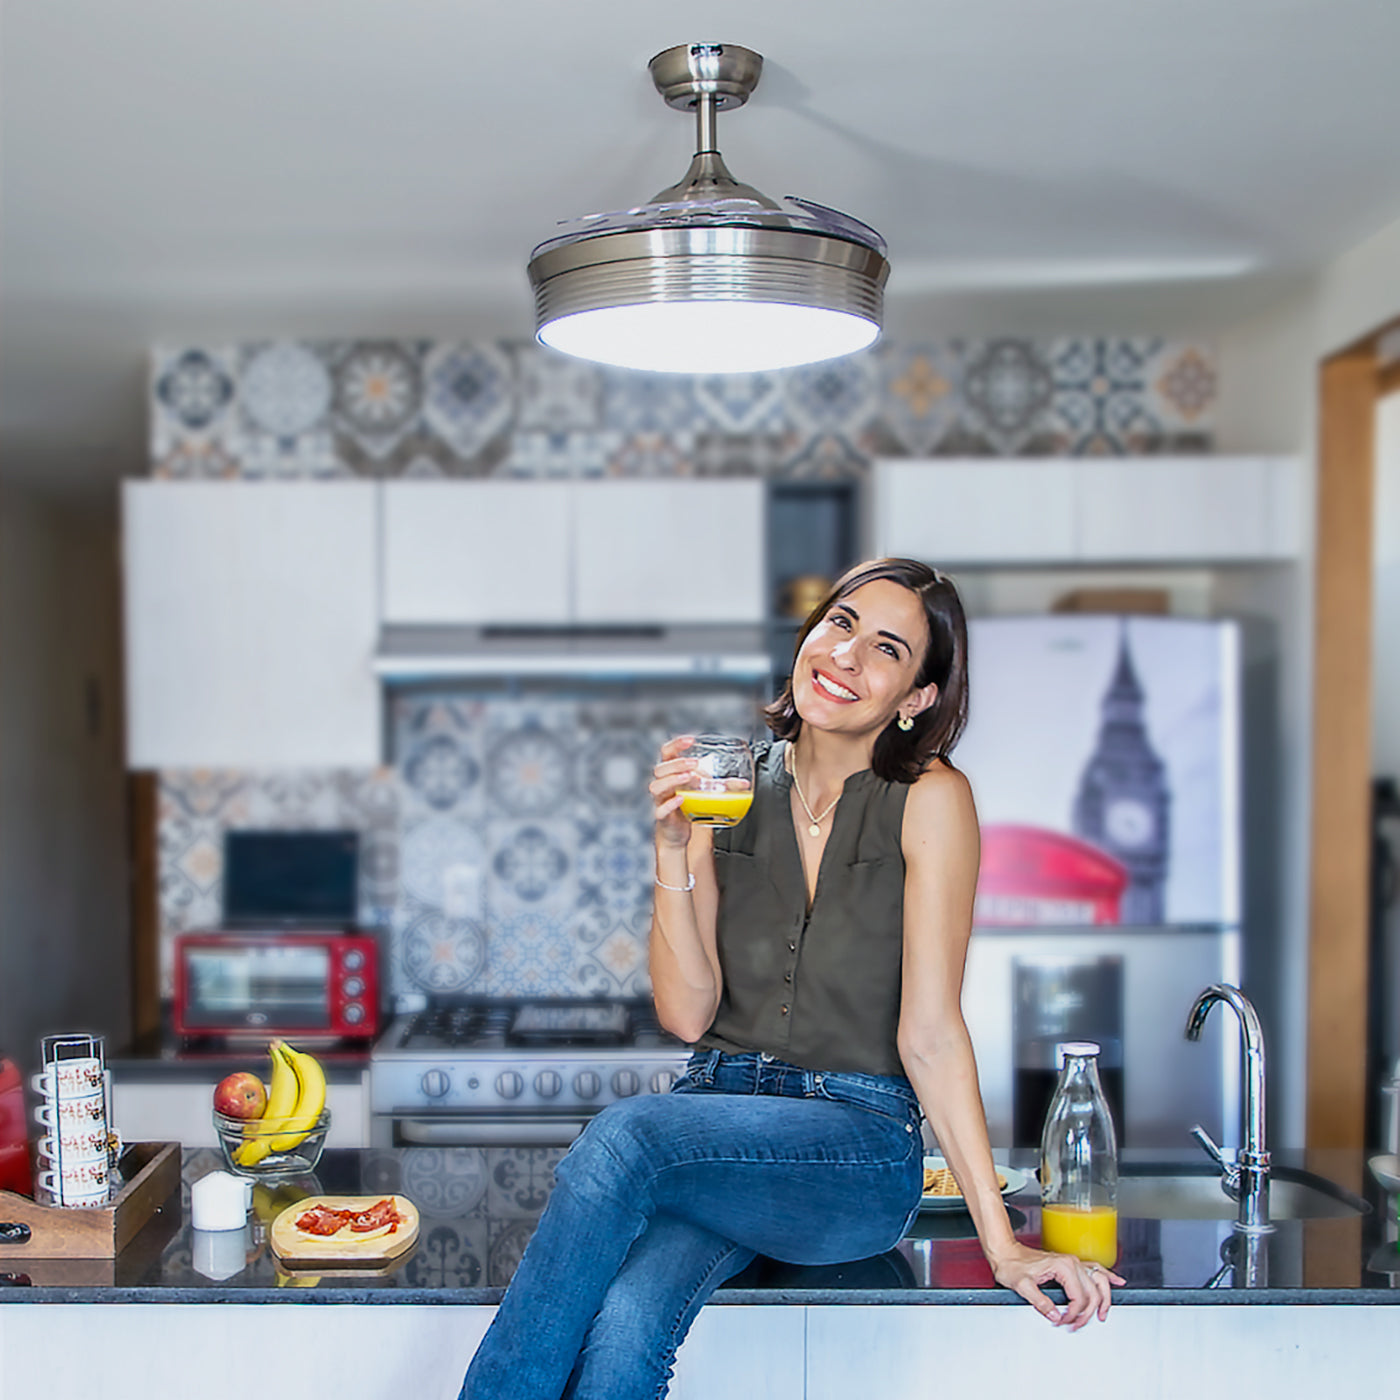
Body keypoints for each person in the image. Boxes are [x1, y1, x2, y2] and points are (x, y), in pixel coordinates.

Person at [460, 557, 1124, 1400]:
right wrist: (672, 851)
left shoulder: (930, 798)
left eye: (886, 649)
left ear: (915, 697)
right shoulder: (728, 785)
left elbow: (929, 1031)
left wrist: (1003, 1246)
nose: (846, 656)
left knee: (627, 1138)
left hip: (854, 1144)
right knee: (627, 1324)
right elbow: (688, 1012)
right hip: (719, 1125)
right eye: (839, 624)